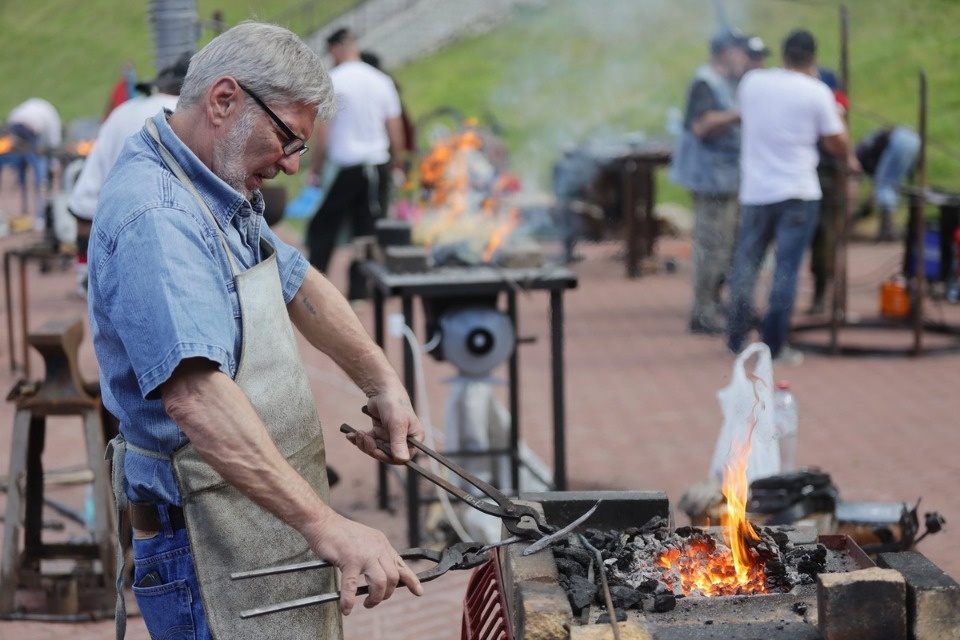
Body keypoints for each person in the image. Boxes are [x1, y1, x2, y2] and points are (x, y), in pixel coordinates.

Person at [87, 22, 423, 639]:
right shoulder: (157, 216)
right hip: (203, 539)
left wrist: (383, 382)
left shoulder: (211, 182)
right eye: (287, 139)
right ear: (223, 100)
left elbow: (295, 280)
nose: (292, 167)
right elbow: (196, 398)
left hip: (260, 512)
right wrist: (328, 526)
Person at [725, 29, 856, 365]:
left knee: (746, 265)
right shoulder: (817, 91)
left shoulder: (752, 83)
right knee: (786, 269)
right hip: (798, 191)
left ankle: (736, 336)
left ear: (783, 55)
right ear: (812, 58)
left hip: (756, 191)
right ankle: (773, 343)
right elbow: (836, 142)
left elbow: (746, 114)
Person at [68, 54, 189, 297]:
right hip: (176, 259)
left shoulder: (122, 112)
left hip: (112, 256)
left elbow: (85, 200)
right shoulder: (189, 115)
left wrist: (84, 268)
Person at [307, 27, 407, 302]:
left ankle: (314, 289)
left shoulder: (334, 80)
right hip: (377, 164)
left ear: (338, 48)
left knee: (322, 227)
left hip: (345, 165)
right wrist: (397, 163)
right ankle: (359, 293)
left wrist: (315, 167)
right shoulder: (381, 80)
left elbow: (323, 130)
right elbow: (394, 127)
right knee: (368, 229)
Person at [669, 28, 750, 334]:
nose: (744, 59)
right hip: (711, 179)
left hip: (726, 178)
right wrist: (737, 114)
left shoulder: (726, 82)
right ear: (726, 53)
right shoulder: (705, 82)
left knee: (725, 246)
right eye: (740, 52)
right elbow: (702, 126)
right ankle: (702, 312)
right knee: (710, 247)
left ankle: (716, 306)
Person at [855, 125, 921, 241]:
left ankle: (888, 230)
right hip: (913, 138)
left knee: (885, 186)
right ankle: (892, 228)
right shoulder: (867, 154)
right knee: (892, 186)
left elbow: (875, 183)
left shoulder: (858, 156)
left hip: (898, 140)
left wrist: (862, 209)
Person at [4, 97, 62, 217]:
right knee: (39, 171)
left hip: (16, 126)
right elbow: (54, 143)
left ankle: (29, 209)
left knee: (27, 166)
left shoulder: (33, 109)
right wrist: (54, 164)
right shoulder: (50, 115)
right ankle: (39, 213)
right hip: (29, 131)